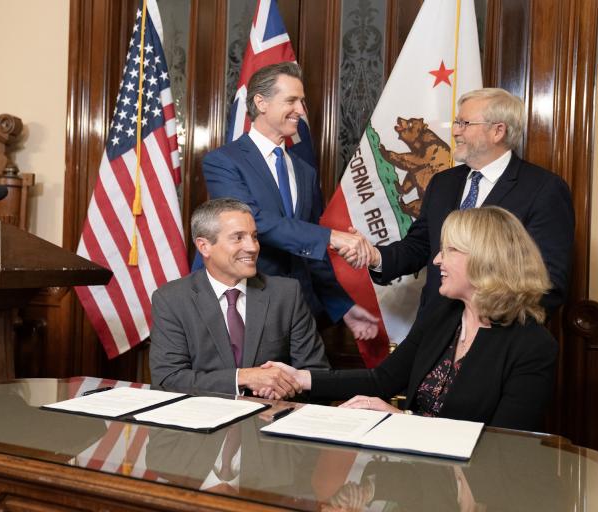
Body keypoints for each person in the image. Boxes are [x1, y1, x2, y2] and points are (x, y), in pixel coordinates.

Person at [263, 207, 558, 431]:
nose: (437, 260)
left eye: (450, 250)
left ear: (487, 260)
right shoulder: (444, 315)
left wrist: (402, 419)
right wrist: (299, 378)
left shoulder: (532, 346)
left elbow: (502, 444)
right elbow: (382, 380)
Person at [350, 88, 574, 316]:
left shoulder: (544, 190)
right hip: (432, 327)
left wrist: (483, 314)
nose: (455, 132)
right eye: (457, 123)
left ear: (498, 131)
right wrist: (376, 257)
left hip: (494, 333)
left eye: (464, 123)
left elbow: (548, 282)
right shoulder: (442, 183)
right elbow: (420, 245)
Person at [202, 62, 379, 341]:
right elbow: (252, 221)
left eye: (302, 101)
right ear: (261, 102)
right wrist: (332, 237)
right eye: (292, 101)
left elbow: (308, 251)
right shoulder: (223, 162)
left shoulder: (304, 171)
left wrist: (341, 306)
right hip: (240, 307)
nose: (301, 110)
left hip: (295, 313)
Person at [149, 198, 329, 399]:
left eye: (254, 236)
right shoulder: (171, 299)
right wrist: (242, 377)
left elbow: (317, 375)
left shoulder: (287, 294)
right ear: (204, 246)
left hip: (269, 420)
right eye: (238, 238)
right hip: (203, 423)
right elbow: (167, 379)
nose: (252, 248)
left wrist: (282, 391)